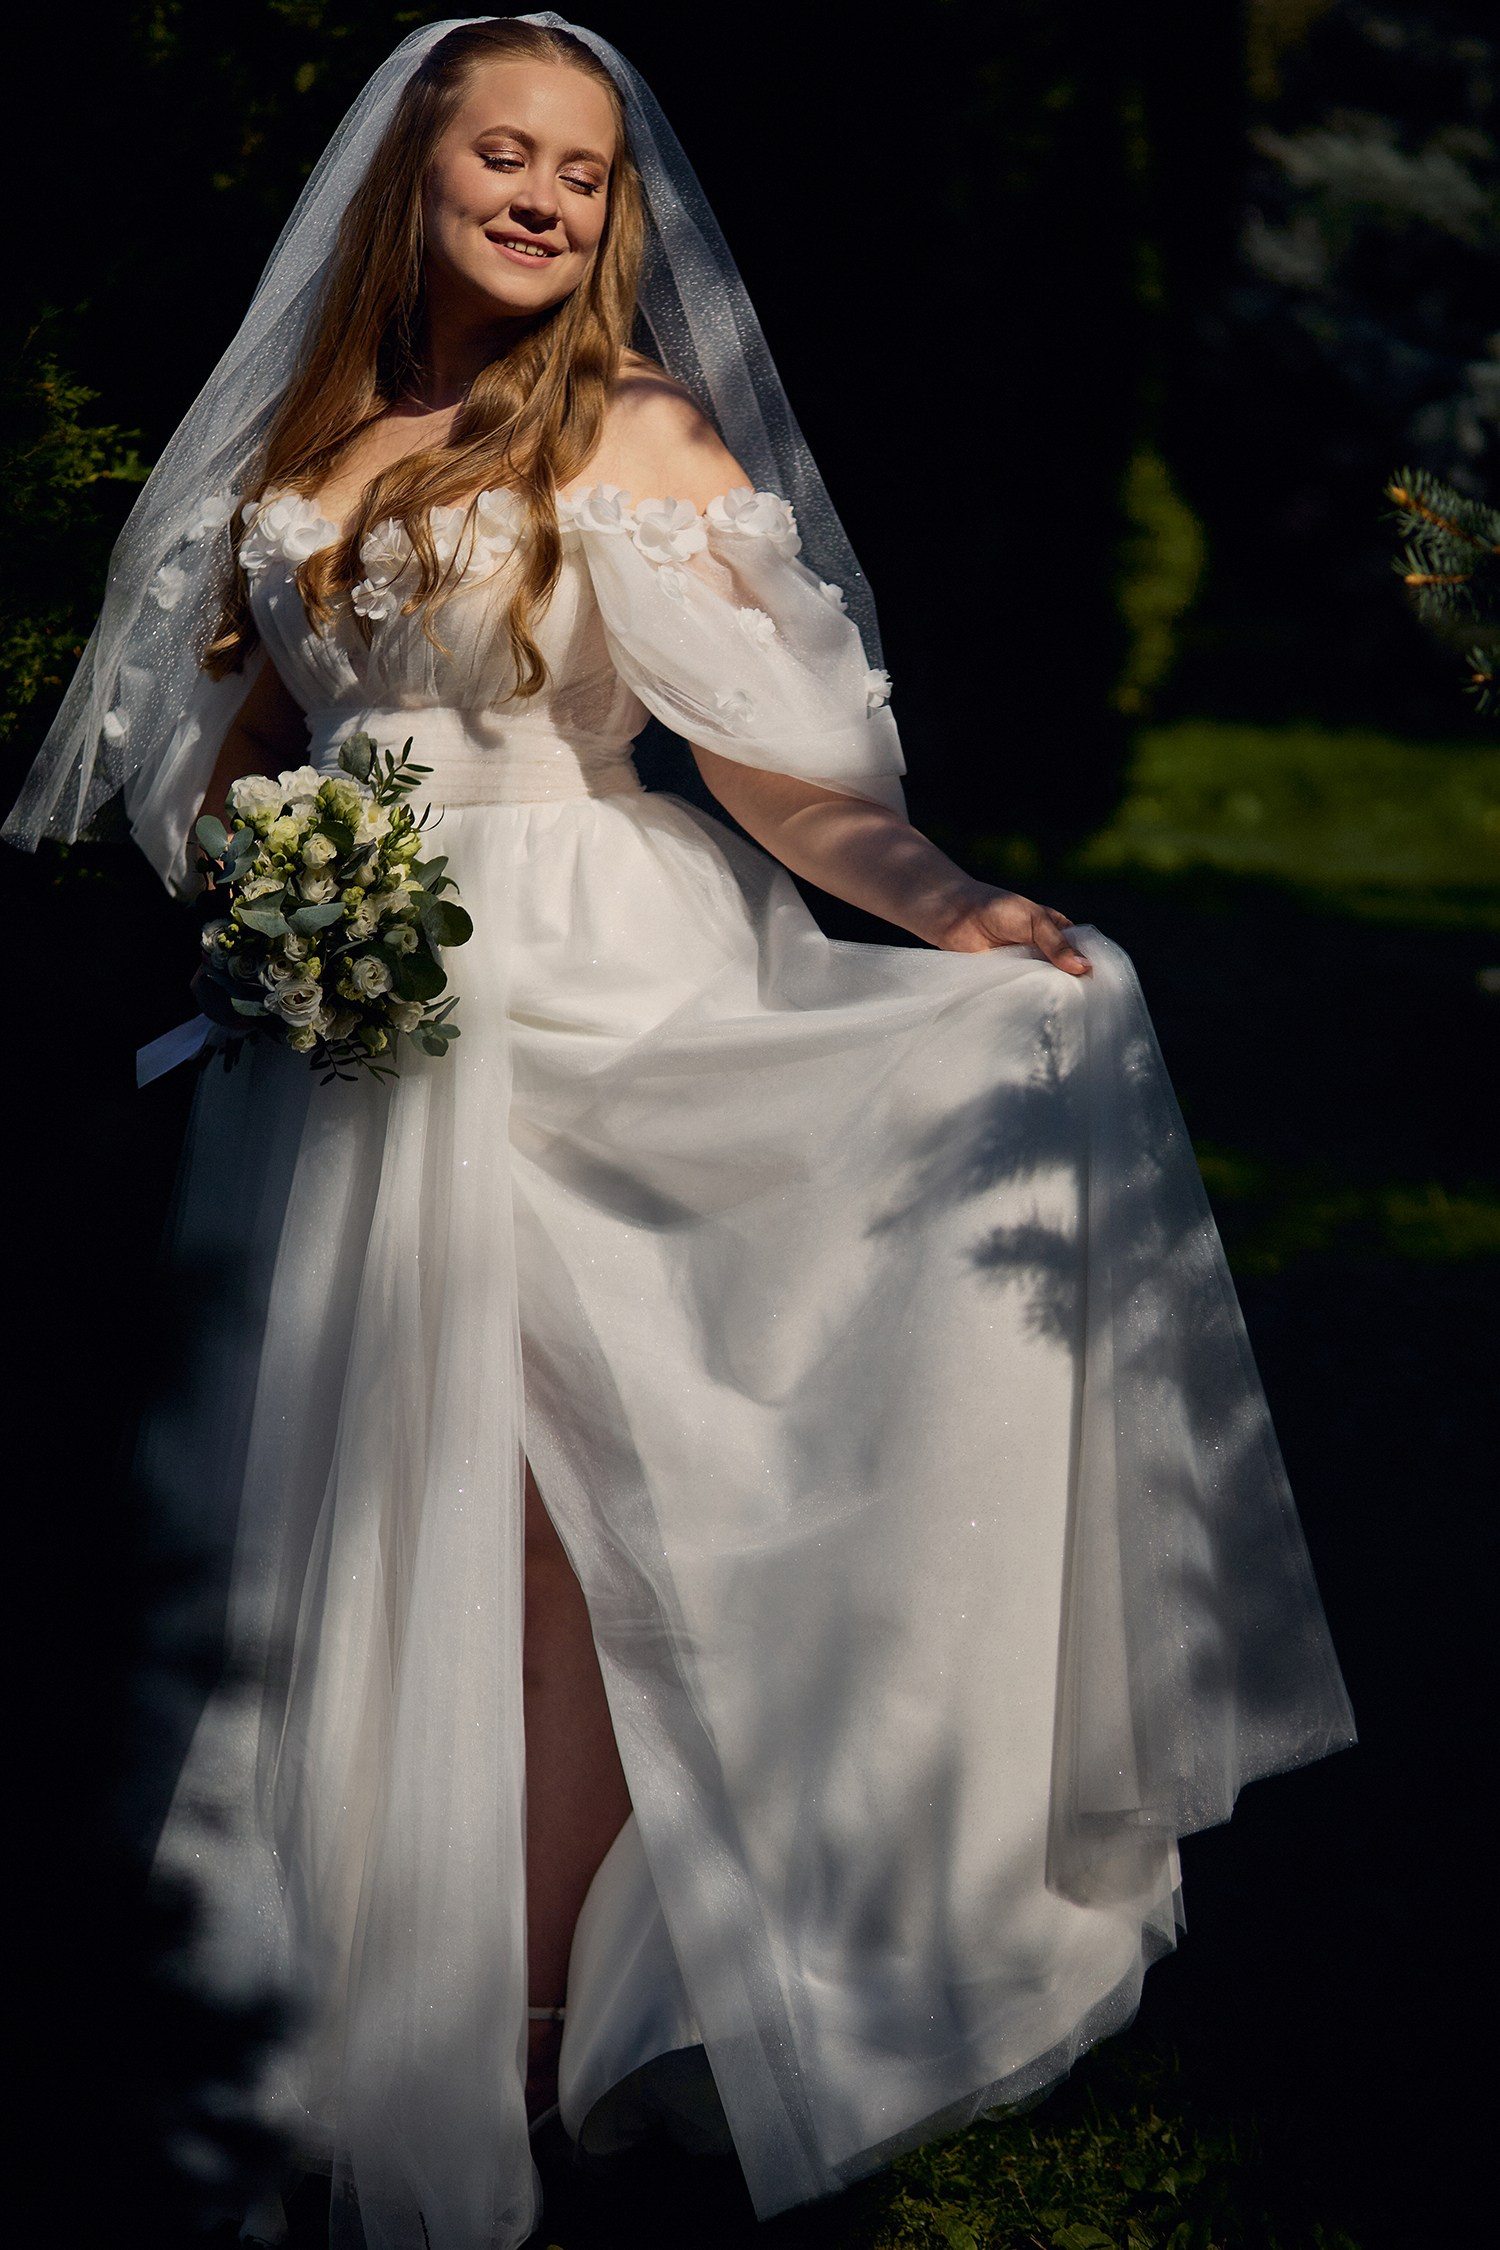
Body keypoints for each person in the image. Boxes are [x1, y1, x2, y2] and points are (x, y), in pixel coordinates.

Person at [2, 17, 1355, 2250]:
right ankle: (323, 2014)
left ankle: (532, 2037)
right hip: (351, 1031)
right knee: (364, 1492)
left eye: (584, 171)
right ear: (410, 180)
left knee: (571, 1516)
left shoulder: (632, 431)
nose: (545, 197)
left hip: (597, 995)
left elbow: (775, 770)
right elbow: (238, 755)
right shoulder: (316, 439)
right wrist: (281, 908)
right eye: (504, 157)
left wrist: (954, 907)